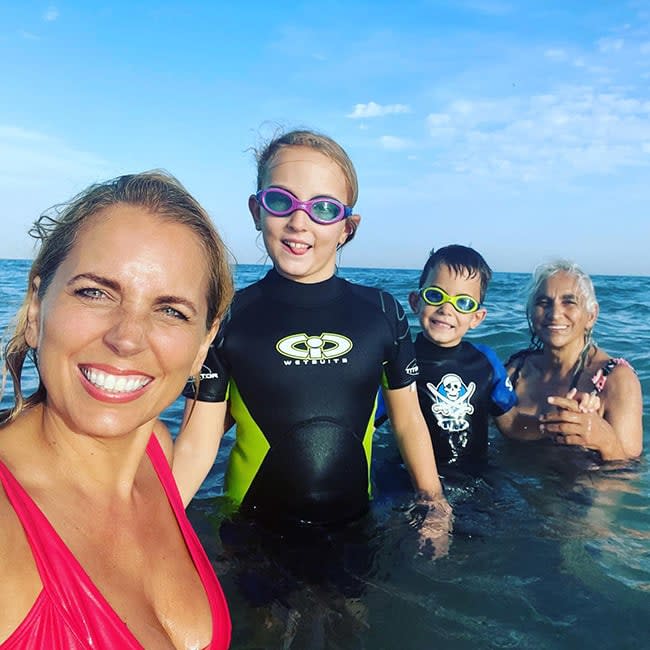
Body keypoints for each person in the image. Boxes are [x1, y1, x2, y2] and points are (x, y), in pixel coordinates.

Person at [173, 129, 449, 533]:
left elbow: (407, 420)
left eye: (322, 209)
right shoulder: (229, 316)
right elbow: (198, 443)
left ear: (346, 227)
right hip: (251, 530)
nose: (299, 222)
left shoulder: (383, 312)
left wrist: (434, 500)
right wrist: (157, 525)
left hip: (354, 528)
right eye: (281, 201)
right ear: (256, 210)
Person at [0, 172, 232, 649]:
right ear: (36, 311)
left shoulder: (153, 449)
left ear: (202, 344)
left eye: (171, 310)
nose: (127, 338)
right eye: (95, 292)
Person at [496, 260, 643, 461]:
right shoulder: (515, 371)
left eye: (569, 302)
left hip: (575, 488)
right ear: (531, 312)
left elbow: (629, 478)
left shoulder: (616, 380)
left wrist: (602, 439)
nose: (555, 314)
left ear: (591, 315)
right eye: (543, 303)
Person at [405, 245, 517, 471]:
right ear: (416, 302)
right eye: (435, 295)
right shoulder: (401, 362)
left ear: (477, 317)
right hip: (413, 480)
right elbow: (366, 422)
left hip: (477, 476)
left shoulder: (486, 361)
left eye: (463, 303)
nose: (446, 309)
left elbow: (513, 426)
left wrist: (555, 423)